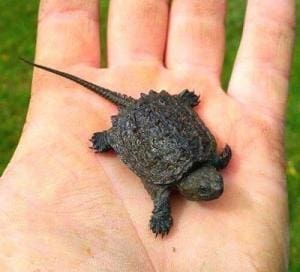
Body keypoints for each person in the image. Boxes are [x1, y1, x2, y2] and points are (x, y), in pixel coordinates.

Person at [0, 0, 295, 271]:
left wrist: (212, 163)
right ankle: (111, 136)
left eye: (210, 185)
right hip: (139, 122)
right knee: (119, 138)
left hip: (162, 114)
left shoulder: (203, 160)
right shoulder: (176, 180)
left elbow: (193, 176)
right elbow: (165, 198)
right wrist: (161, 214)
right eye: (209, 188)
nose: (216, 188)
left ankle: (166, 108)